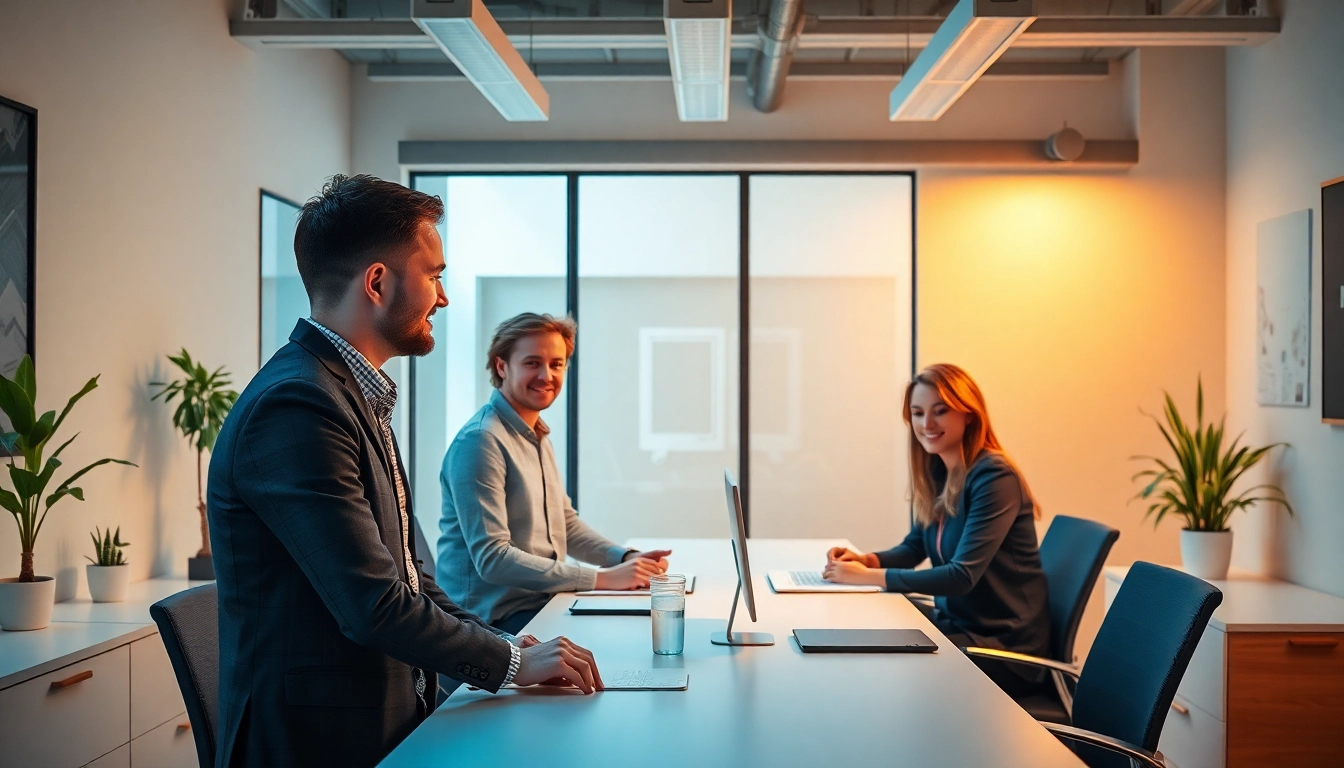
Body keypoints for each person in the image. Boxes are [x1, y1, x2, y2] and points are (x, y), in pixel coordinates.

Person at [208, 176, 603, 768]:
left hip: (387, 720)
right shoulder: (297, 405)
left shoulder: (351, 395)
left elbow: (415, 577)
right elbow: (374, 605)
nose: (442, 297)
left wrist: (504, 646)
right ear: (377, 282)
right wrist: (512, 664)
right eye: (435, 275)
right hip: (315, 743)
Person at [821, 363, 1051, 696]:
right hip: (958, 626)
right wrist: (867, 560)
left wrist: (868, 577)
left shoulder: (994, 477)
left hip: (1004, 650)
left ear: (968, 414)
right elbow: (915, 547)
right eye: (917, 413)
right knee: (866, 633)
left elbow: (960, 577)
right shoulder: (940, 472)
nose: (926, 424)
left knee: (882, 668)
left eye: (940, 411)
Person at [438, 312, 671, 634]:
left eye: (556, 364)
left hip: (542, 605)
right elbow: (492, 559)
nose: (546, 375)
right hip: (491, 624)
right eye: (532, 363)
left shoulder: (535, 433)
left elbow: (565, 525)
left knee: (642, 628)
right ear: (502, 366)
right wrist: (602, 579)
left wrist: (625, 559)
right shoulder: (481, 441)